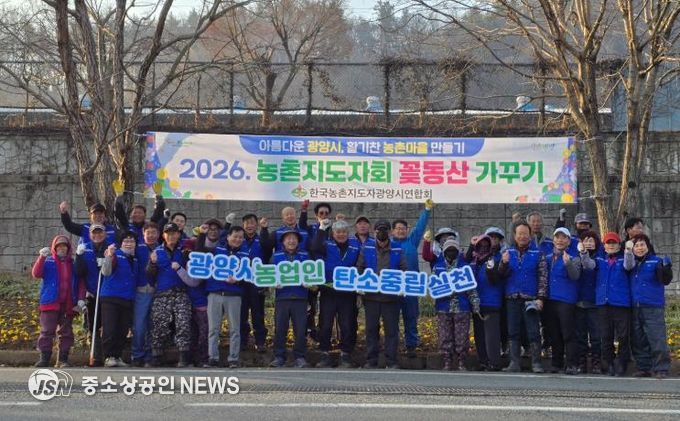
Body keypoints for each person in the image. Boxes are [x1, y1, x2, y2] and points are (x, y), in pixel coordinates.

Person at [495, 222, 548, 373]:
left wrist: (541, 297)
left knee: (533, 331)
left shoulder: (538, 253)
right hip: (512, 298)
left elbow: (543, 277)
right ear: (514, 235)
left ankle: (536, 363)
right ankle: (514, 363)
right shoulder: (508, 252)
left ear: (530, 235)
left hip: (531, 298)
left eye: (525, 234)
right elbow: (500, 275)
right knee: (513, 331)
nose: (522, 236)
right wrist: (503, 263)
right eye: (519, 234)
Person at [146, 223, 200, 367]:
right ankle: (157, 356)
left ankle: (184, 357)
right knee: (159, 323)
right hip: (162, 294)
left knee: (183, 323)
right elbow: (149, 275)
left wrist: (188, 259)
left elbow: (194, 267)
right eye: (168, 233)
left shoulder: (185, 250)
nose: (171, 236)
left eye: (174, 233)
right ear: (163, 235)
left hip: (181, 293)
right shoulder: (156, 252)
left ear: (178, 235)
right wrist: (152, 263)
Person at [356, 219, 408, 369]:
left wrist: (402, 286)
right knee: (371, 330)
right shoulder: (366, 248)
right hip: (371, 297)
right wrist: (359, 286)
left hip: (391, 297)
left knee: (391, 331)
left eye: (385, 230)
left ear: (390, 232)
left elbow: (404, 269)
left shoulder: (397, 248)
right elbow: (360, 268)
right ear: (374, 232)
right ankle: (371, 360)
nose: (382, 232)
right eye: (379, 230)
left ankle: (391, 361)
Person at [311, 219, 360, 368]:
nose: (341, 234)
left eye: (344, 232)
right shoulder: (326, 244)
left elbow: (361, 264)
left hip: (348, 292)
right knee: (325, 324)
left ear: (348, 233)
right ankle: (324, 354)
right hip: (328, 292)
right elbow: (314, 248)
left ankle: (345, 355)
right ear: (333, 233)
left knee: (346, 325)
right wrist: (321, 228)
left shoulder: (355, 246)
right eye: (338, 232)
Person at [624, 234, 673, 379]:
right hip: (635, 306)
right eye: (637, 246)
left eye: (642, 245)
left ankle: (661, 368)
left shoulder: (656, 261)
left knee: (656, 338)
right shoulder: (630, 264)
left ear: (648, 246)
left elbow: (665, 279)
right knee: (638, 339)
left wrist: (666, 269)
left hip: (653, 306)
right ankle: (643, 367)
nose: (639, 248)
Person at [583, 232, 631, 377]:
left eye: (613, 243)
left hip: (621, 303)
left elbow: (629, 266)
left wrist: (628, 251)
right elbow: (588, 265)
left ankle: (621, 363)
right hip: (603, 303)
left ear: (619, 245)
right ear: (604, 246)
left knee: (623, 336)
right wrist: (583, 253)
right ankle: (608, 363)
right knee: (606, 336)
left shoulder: (624, 258)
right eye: (608, 243)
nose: (611, 245)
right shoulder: (599, 259)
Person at [32, 235, 84, 368]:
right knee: (47, 331)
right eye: (59, 246)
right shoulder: (48, 261)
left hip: (68, 304)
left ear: (68, 248)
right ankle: (44, 359)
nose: (62, 248)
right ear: (54, 248)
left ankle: (63, 359)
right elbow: (36, 273)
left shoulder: (74, 264)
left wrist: (80, 299)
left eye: (64, 246)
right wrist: (41, 258)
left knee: (66, 332)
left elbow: (80, 282)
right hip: (50, 302)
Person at [391, 199, 433, 357]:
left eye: (403, 228)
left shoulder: (412, 241)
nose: (401, 231)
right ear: (392, 231)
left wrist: (427, 210)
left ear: (407, 230)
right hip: (393, 287)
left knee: (411, 317)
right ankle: (392, 347)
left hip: (410, 286)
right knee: (392, 319)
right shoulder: (388, 244)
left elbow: (420, 226)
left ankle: (411, 347)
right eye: (398, 228)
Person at [432, 238, 480, 371]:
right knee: (445, 336)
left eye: (454, 250)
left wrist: (475, 303)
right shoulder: (438, 267)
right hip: (443, 307)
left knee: (462, 336)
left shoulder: (465, 267)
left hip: (462, 307)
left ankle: (461, 361)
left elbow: (471, 289)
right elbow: (433, 287)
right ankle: (447, 360)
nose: (451, 252)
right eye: (449, 250)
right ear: (444, 252)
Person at [205, 225, 248, 368]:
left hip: (234, 295)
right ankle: (213, 358)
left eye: (240, 237)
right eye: (235, 236)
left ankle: (233, 358)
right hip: (215, 293)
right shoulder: (217, 249)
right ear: (228, 237)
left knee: (235, 329)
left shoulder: (245, 254)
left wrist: (238, 280)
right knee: (213, 329)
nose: (237, 239)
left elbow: (250, 274)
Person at [543, 228, 584, 374]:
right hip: (550, 300)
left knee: (568, 334)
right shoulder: (547, 258)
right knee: (554, 334)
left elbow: (575, 276)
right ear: (553, 240)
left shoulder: (574, 258)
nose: (560, 240)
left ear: (569, 241)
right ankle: (556, 363)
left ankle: (572, 364)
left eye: (563, 237)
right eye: (557, 237)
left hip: (566, 301)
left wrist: (568, 264)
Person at [270, 229, 311, 368]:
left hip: (300, 297)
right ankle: (279, 356)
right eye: (288, 238)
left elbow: (313, 275)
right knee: (280, 328)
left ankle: (300, 357)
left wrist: (310, 283)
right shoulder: (276, 256)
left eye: (294, 238)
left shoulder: (305, 256)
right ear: (283, 242)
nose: (291, 241)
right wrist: (273, 283)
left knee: (300, 329)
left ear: (298, 241)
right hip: (282, 297)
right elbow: (268, 274)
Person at [99, 231, 140, 367]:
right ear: (121, 243)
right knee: (110, 328)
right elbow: (106, 272)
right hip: (111, 297)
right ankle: (108, 356)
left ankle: (117, 356)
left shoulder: (135, 259)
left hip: (127, 298)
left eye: (132, 241)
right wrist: (109, 256)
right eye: (126, 241)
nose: (129, 244)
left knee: (122, 330)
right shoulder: (115, 255)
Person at [74, 223, 109, 366]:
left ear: (105, 234)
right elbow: (79, 272)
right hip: (92, 294)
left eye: (100, 232)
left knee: (108, 325)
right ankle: (95, 357)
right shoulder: (85, 248)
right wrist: (78, 256)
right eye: (94, 233)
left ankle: (108, 355)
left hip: (107, 294)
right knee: (93, 325)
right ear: (90, 235)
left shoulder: (110, 248)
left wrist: (106, 261)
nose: (97, 235)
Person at [468, 235, 504, 371]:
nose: (483, 247)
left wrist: (491, 270)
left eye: (486, 245)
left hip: (491, 302)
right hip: (477, 303)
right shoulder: (473, 262)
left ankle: (494, 362)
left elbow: (496, 279)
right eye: (480, 245)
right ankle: (483, 361)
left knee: (492, 335)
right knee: (479, 334)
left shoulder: (494, 260)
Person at [238, 214, 270, 353]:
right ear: (243, 225)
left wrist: (264, 229)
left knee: (258, 314)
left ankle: (260, 342)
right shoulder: (239, 239)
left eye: (252, 223)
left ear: (256, 225)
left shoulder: (262, 239)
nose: (249, 225)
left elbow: (268, 248)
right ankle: (242, 341)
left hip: (257, 281)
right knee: (241, 314)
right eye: (247, 223)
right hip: (240, 282)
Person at [130, 222, 160, 367]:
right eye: (148, 233)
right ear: (143, 233)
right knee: (139, 326)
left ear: (159, 234)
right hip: (140, 291)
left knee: (153, 326)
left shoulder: (162, 249)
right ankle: (137, 354)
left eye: (154, 233)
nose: (151, 235)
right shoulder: (137, 247)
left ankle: (149, 356)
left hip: (157, 291)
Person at [574, 230, 602, 374]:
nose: (589, 243)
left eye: (591, 240)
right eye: (586, 240)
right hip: (579, 301)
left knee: (596, 336)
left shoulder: (600, 257)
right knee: (580, 336)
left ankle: (597, 363)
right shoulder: (575, 256)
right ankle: (582, 363)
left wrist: (584, 253)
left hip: (595, 302)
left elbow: (589, 264)